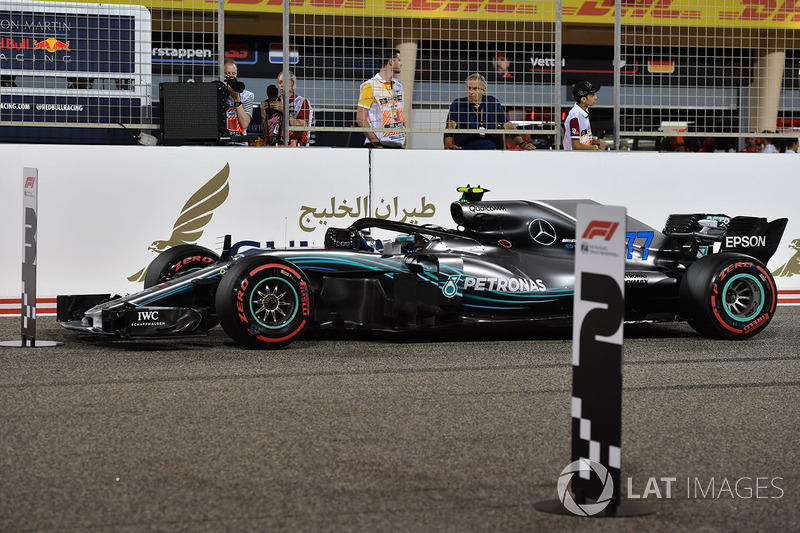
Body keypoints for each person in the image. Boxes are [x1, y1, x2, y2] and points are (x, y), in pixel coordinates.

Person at [443, 73, 534, 151]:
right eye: (469, 88)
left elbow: (508, 126)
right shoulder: (458, 104)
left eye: (475, 89)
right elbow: (450, 127)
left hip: (489, 154)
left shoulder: (492, 102)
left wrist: (522, 144)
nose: (471, 92)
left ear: (483, 90)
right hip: (465, 152)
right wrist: (448, 146)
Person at [356, 48, 406, 148]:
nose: (401, 64)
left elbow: (401, 114)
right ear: (391, 61)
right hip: (379, 145)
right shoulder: (370, 85)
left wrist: (404, 141)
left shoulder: (398, 85)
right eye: (399, 60)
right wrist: (377, 144)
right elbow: (360, 118)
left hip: (397, 144)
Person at [260, 71, 314, 146]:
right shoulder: (273, 103)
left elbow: (300, 132)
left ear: (294, 85)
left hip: (295, 150)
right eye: (280, 82)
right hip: (274, 150)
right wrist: (263, 115)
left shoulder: (302, 102)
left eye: (285, 82)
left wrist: (284, 110)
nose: (282, 85)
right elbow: (267, 136)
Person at [563, 80, 607, 151]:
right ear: (583, 99)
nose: (595, 97)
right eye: (592, 96)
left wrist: (596, 143)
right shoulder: (575, 116)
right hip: (574, 159)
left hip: (582, 156)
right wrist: (595, 147)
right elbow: (576, 146)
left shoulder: (584, 111)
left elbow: (582, 141)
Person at [223, 59, 254, 139]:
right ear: (222, 75)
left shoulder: (246, 95)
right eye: (228, 74)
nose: (231, 76)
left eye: (233, 74)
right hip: (221, 143)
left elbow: (245, 123)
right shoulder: (216, 93)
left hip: (240, 142)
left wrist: (237, 99)